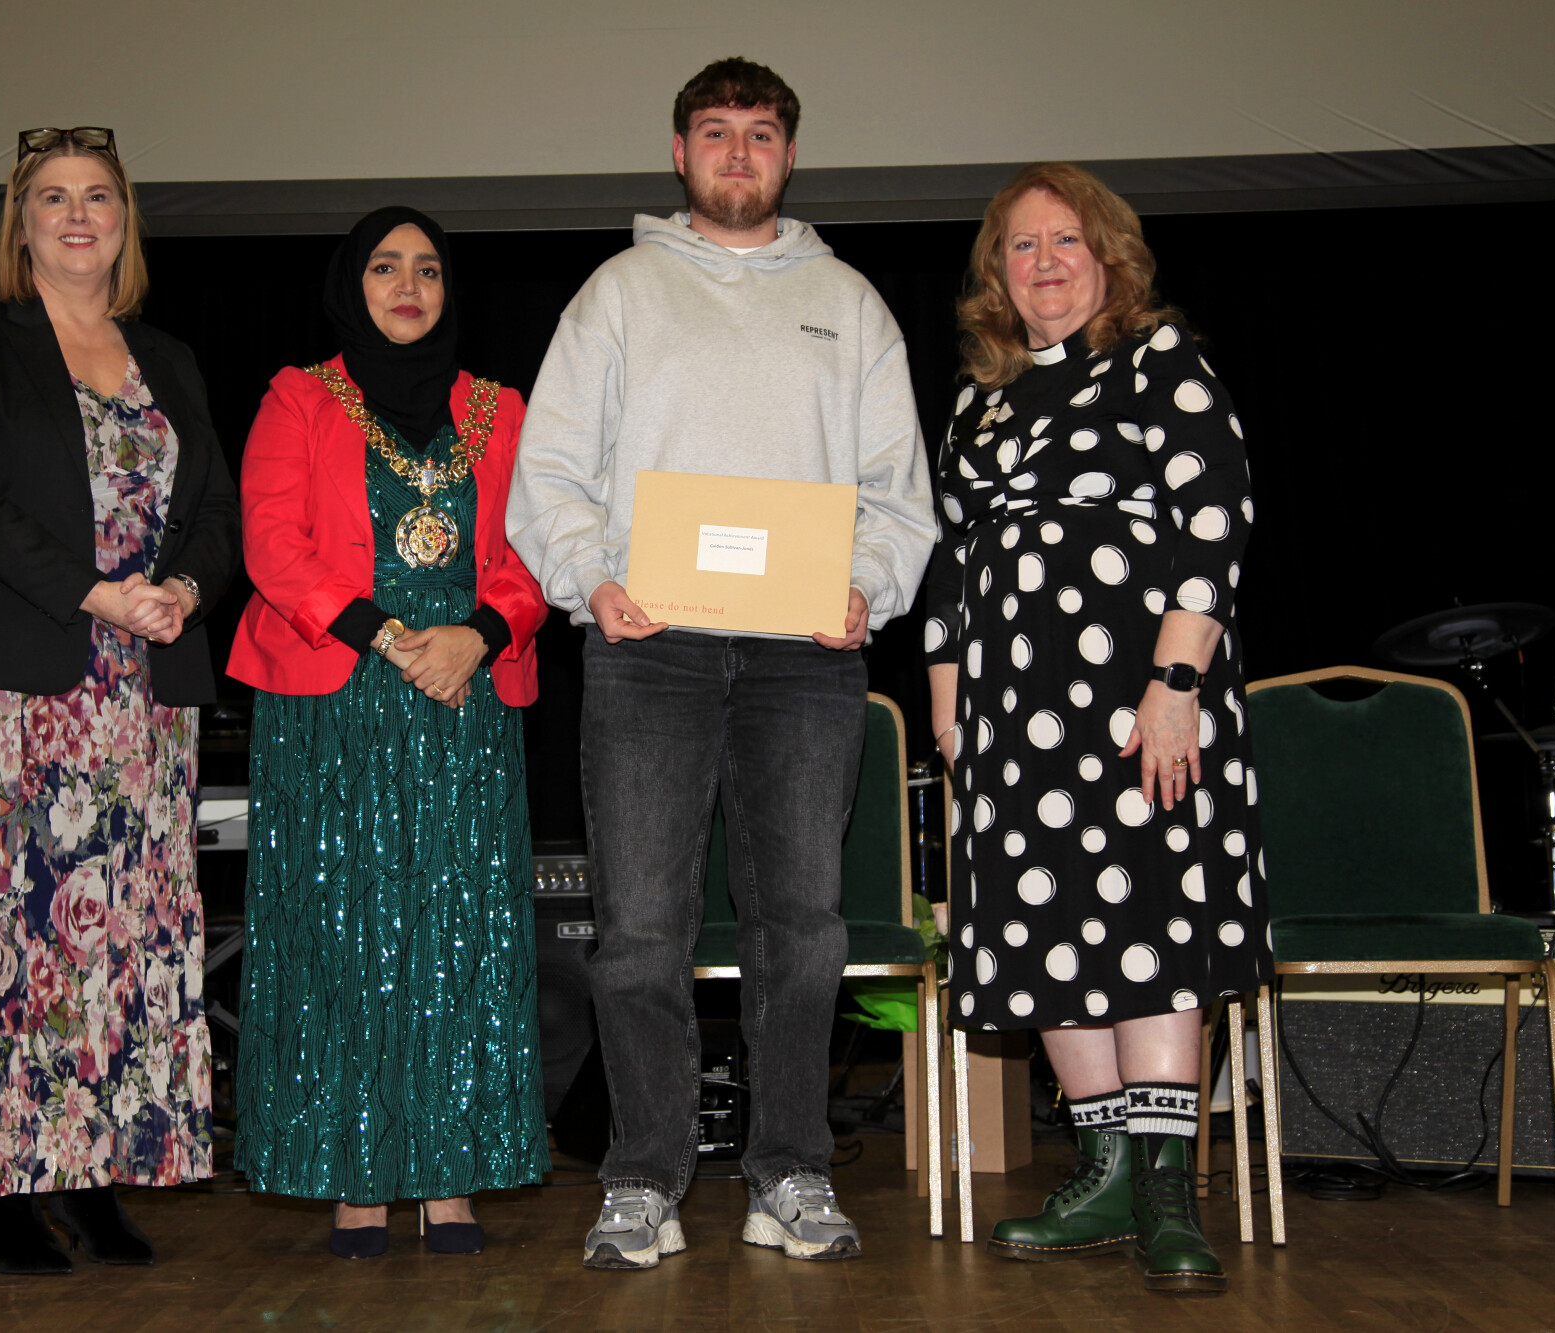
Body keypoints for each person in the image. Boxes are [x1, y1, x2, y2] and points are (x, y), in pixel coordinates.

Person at [508, 58, 935, 1269]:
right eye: (714, 132)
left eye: (758, 133)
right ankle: (642, 1178)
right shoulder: (618, 293)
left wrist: (865, 586)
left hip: (805, 656)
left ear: (788, 155)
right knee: (640, 931)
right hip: (650, 650)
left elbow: (897, 493)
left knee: (801, 928)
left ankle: (789, 1170)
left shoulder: (849, 303)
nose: (737, 153)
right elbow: (550, 471)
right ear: (678, 152)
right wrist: (590, 578)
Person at [0, 127, 239, 1275]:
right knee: (2, 925)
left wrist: (182, 590)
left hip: (140, 688)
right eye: (53, 197)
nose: (78, 214)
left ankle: (93, 1169)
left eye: (98, 195)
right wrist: (96, 592)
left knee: (117, 932)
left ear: (124, 220)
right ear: (22, 221)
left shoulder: (166, 357)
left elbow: (216, 513)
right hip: (5, 680)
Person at [924, 161, 1271, 1294]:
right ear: (996, 274)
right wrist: (947, 707)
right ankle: (1106, 1172)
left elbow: (1214, 519)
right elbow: (950, 562)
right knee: (1043, 919)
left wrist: (1174, 682)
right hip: (1010, 712)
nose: (1043, 263)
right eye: (1020, 246)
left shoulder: (1158, 361)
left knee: (1149, 912)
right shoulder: (978, 402)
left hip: (1136, 699)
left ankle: (1168, 1190)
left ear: (1108, 257)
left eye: (1064, 240)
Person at [227, 206, 550, 1259]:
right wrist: (387, 634)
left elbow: (538, 546)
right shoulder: (298, 395)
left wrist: (477, 635)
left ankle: (450, 1178)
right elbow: (272, 544)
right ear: (349, 285)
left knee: (459, 931)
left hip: (464, 692)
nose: (408, 286)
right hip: (335, 694)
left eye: (427, 269)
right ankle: (352, 1181)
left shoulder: (502, 408)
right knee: (340, 933)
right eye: (383, 267)